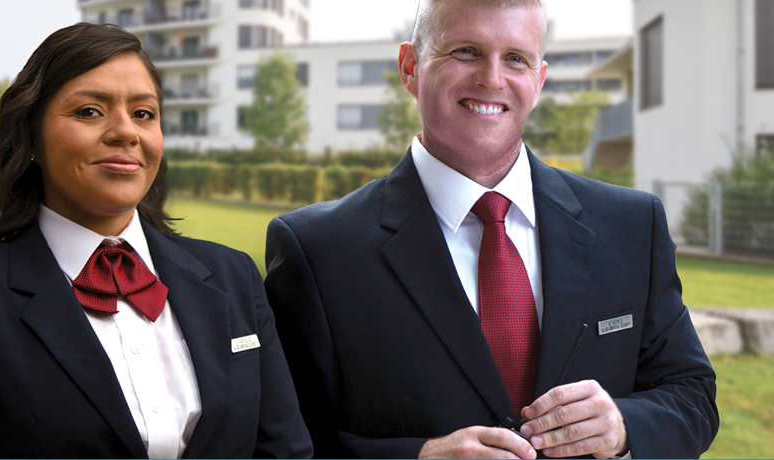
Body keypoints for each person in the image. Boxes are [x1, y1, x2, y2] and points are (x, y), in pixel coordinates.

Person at [263, 1, 717, 458]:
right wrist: (418, 457)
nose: (492, 79)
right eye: (466, 51)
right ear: (410, 68)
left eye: (516, 58)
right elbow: (284, 443)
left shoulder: (633, 225)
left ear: (538, 82)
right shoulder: (317, 252)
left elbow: (692, 394)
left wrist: (622, 427)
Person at [0, 23, 314, 459]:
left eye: (144, 113)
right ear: (31, 136)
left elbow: (284, 449)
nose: (126, 132)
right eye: (90, 112)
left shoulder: (234, 276)